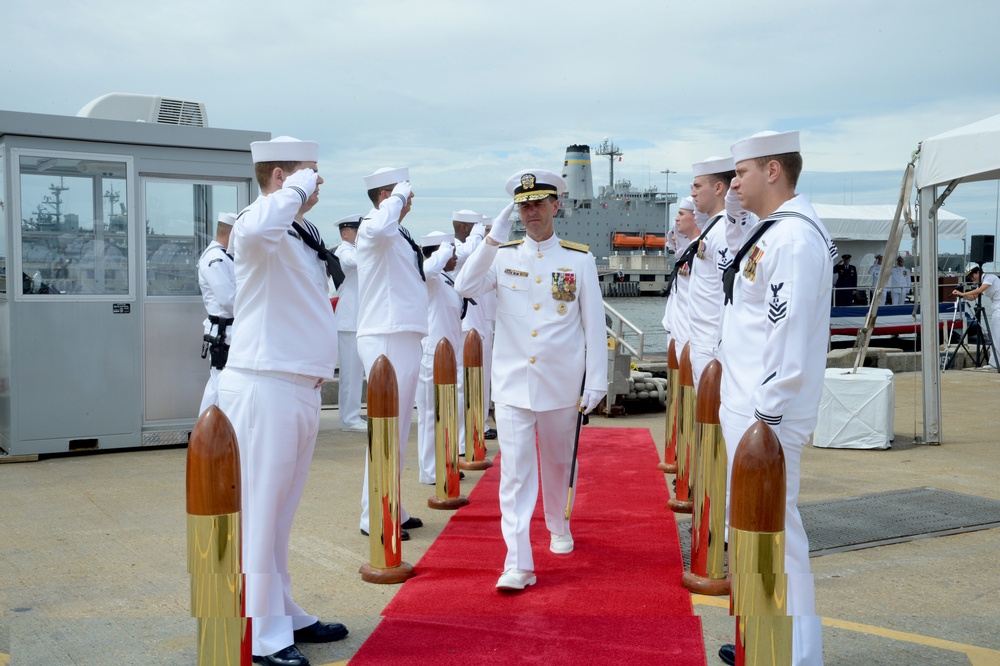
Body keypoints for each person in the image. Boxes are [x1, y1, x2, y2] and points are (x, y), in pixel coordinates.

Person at [216, 136, 347, 666]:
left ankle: (282, 610)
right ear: (282, 178)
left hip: (299, 386)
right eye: (312, 174)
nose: (319, 183)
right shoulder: (258, 224)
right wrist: (295, 185)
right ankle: (262, 634)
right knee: (259, 513)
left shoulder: (298, 232)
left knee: (280, 516)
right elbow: (254, 228)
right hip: (264, 385)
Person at [454, 169, 607, 591]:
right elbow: (465, 284)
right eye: (524, 205)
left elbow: (593, 324)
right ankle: (517, 563)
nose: (531, 211)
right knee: (516, 475)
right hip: (513, 383)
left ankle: (558, 523)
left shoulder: (579, 259)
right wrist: (490, 238)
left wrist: (595, 381)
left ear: (557, 205)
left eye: (539, 202)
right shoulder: (502, 256)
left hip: (560, 383)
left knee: (558, 464)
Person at [717, 130, 833, 666]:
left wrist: (765, 415)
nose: (732, 182)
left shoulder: (793, 239)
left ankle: (796, 655)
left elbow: (788, 336)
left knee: (781, 540)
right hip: (751, 411)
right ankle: (764, 640)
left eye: (741, 171)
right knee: (759, 538)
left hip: (767, 418)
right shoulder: (774, 232)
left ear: (773, 171)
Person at [355, 166, 426, 540]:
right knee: (386, 432)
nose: (409, 199)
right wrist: (396, 198)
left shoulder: (396, 232)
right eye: (403, 193)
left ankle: (390, 504)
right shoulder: (374, 228)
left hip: (402, 334)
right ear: (385, 196)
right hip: (386, 336)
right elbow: (381, 227)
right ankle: (375, 515)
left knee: (396, 432)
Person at [415, 231, 465, 483]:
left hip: (449, 355)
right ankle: (429, 470)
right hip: (432, 355)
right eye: (451, 253)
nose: (455, 257)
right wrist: (443, 251)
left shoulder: (446, 278)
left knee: (446, 413)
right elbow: (426, 270)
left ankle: (445, 461)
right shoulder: (431, 278)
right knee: (430, 414)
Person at [687, 156, 736, 389]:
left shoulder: (725, 230)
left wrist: (720, 347)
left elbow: (729, 295)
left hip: (713, 347)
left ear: (718, 188)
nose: (693, 193)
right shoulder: (713, 228)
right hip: (702, 342)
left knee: (714, 420)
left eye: (697, 186)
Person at [453, 210, 497, 442]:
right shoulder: (453, 250)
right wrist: (481, 236)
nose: (488, 236)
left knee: (482, 379)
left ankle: (478, 424)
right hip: (465, 324)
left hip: (483, 321)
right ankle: (464, 433)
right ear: (464, 228)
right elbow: (470, 253)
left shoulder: (483, 252)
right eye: (482, 230)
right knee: (465, 380)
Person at [197, 212, 236, 415]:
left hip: (230, 330)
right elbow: (228, 299)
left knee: (223, 384)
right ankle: (205, 438)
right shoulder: (215, 258)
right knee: (219, 384)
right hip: (224, 332)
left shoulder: (225, 256)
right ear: (232, 233)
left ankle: (211, 437)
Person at [334, 214, 367, 432]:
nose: (359, 234)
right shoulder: (344, 249)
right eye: (356, 231)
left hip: (358, 320)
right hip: (348, 321)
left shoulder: (356, 250)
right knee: (350, 373)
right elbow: (349, 262)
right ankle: (349, 418)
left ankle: (351, 415)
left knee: (357, 373)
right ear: (345, 232)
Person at [661, 196, 701, 354]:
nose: (677, 219)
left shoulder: (699, 252)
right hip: (677, 336)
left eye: (682, 214)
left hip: (690, 339)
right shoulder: (687, 254)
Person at [953, 265, 1000, 369]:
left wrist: (963, 292)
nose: (972, 278)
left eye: (972, 276)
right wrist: (961, 295)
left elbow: (979, 291)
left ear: (978, 272)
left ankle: (995, 363)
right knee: (994, 335)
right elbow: (973, 297)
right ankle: (994, 362)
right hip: (996, 308)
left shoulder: (989, 278)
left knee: (997, 336)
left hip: (999, 307)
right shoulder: (983, 282)